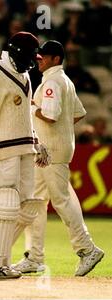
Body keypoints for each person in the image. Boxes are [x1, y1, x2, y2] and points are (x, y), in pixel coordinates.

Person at [12, 40, 104, 276]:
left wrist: (32, 109)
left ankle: (87, 248)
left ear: (55, 59)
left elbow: (51, 115)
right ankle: (34, 257)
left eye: (43, 57)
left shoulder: (53, 81)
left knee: (61, 200)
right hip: (52, 150)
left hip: (50, 152)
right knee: (35, 202)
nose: (38, 60)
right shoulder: (65, 80)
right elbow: (77, 114)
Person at [0, 31, 50, 279]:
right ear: (16, 52)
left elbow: (25, 114)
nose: (32, 63)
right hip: (4, 149)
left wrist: (37, 141)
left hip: (25, 147)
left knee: (28, 205)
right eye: (28, 57)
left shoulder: (24, 74)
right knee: (6, 201)